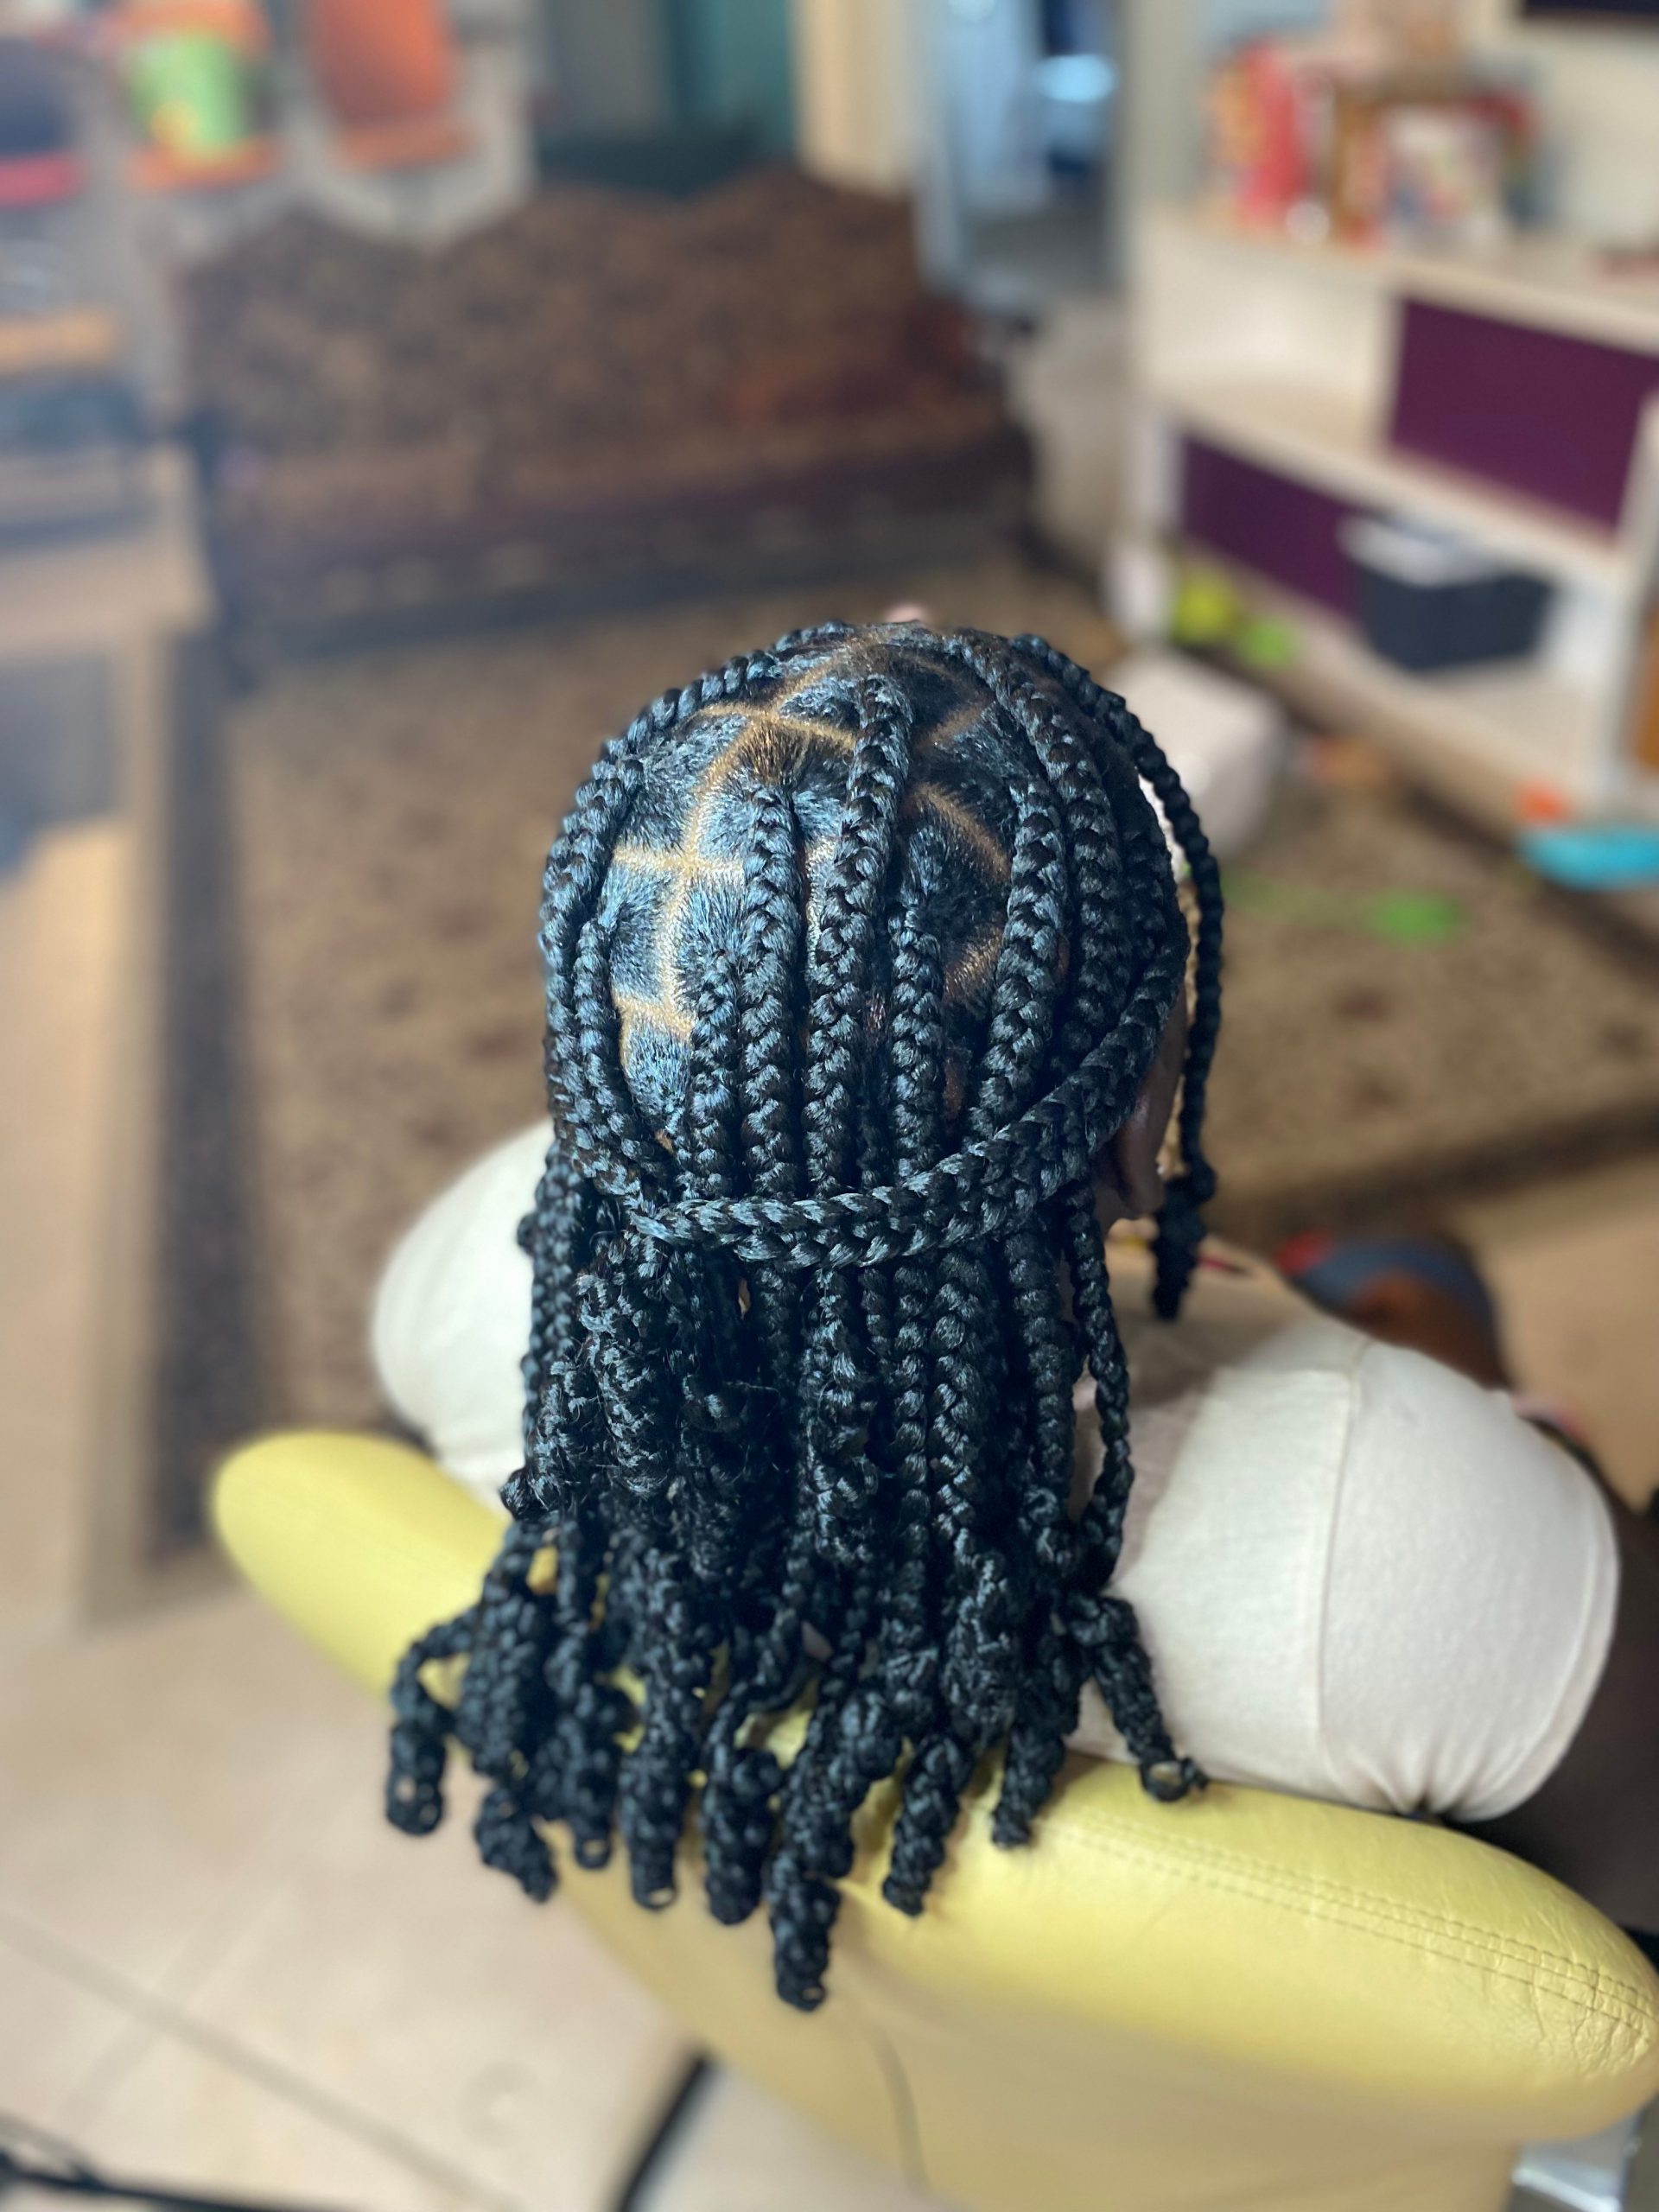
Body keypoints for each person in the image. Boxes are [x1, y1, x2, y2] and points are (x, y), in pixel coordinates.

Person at [375, 619, 1659, 2009]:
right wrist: (1534, 1480)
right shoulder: (1420, 1532)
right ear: (1137, 1127)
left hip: (876, 2046)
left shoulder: (458, 1273)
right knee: (1420, 1270)